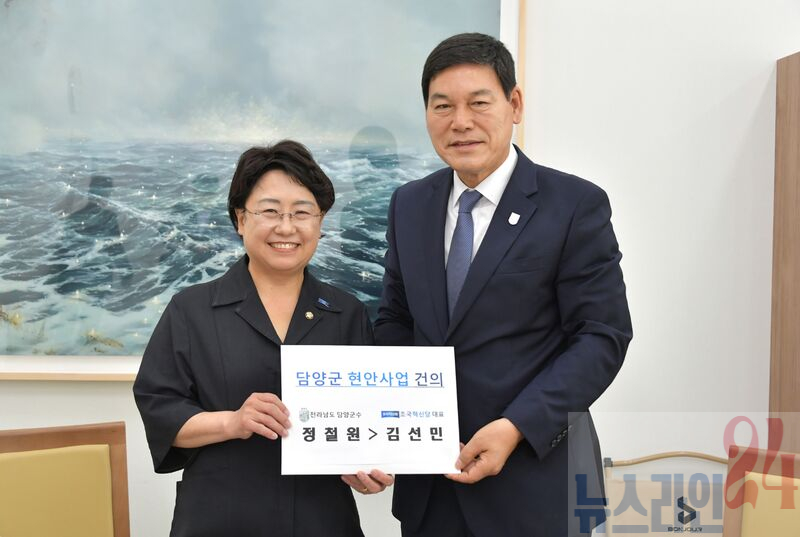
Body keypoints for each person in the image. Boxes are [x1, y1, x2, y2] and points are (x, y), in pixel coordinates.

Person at [375, 33, 633, 537]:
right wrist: (383, 432)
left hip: (539, 486)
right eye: (442, 106)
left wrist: (517, 427)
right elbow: (395, 321)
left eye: (478, 102)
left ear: (514, 104)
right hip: (432, 490)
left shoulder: (573, 205)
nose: (460, 122)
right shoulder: (409, 204)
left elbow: (601, 337)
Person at [134, 140, 393, 537]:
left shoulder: (348, 313)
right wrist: (232, 422)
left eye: (302, 212)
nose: (286, 228)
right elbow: (160, 410)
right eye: (270, 211)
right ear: (240, 219)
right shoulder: (191, 309)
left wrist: (370, 469)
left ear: (320, 222)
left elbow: (370, 420)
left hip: (322, 520)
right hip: (219, 519)